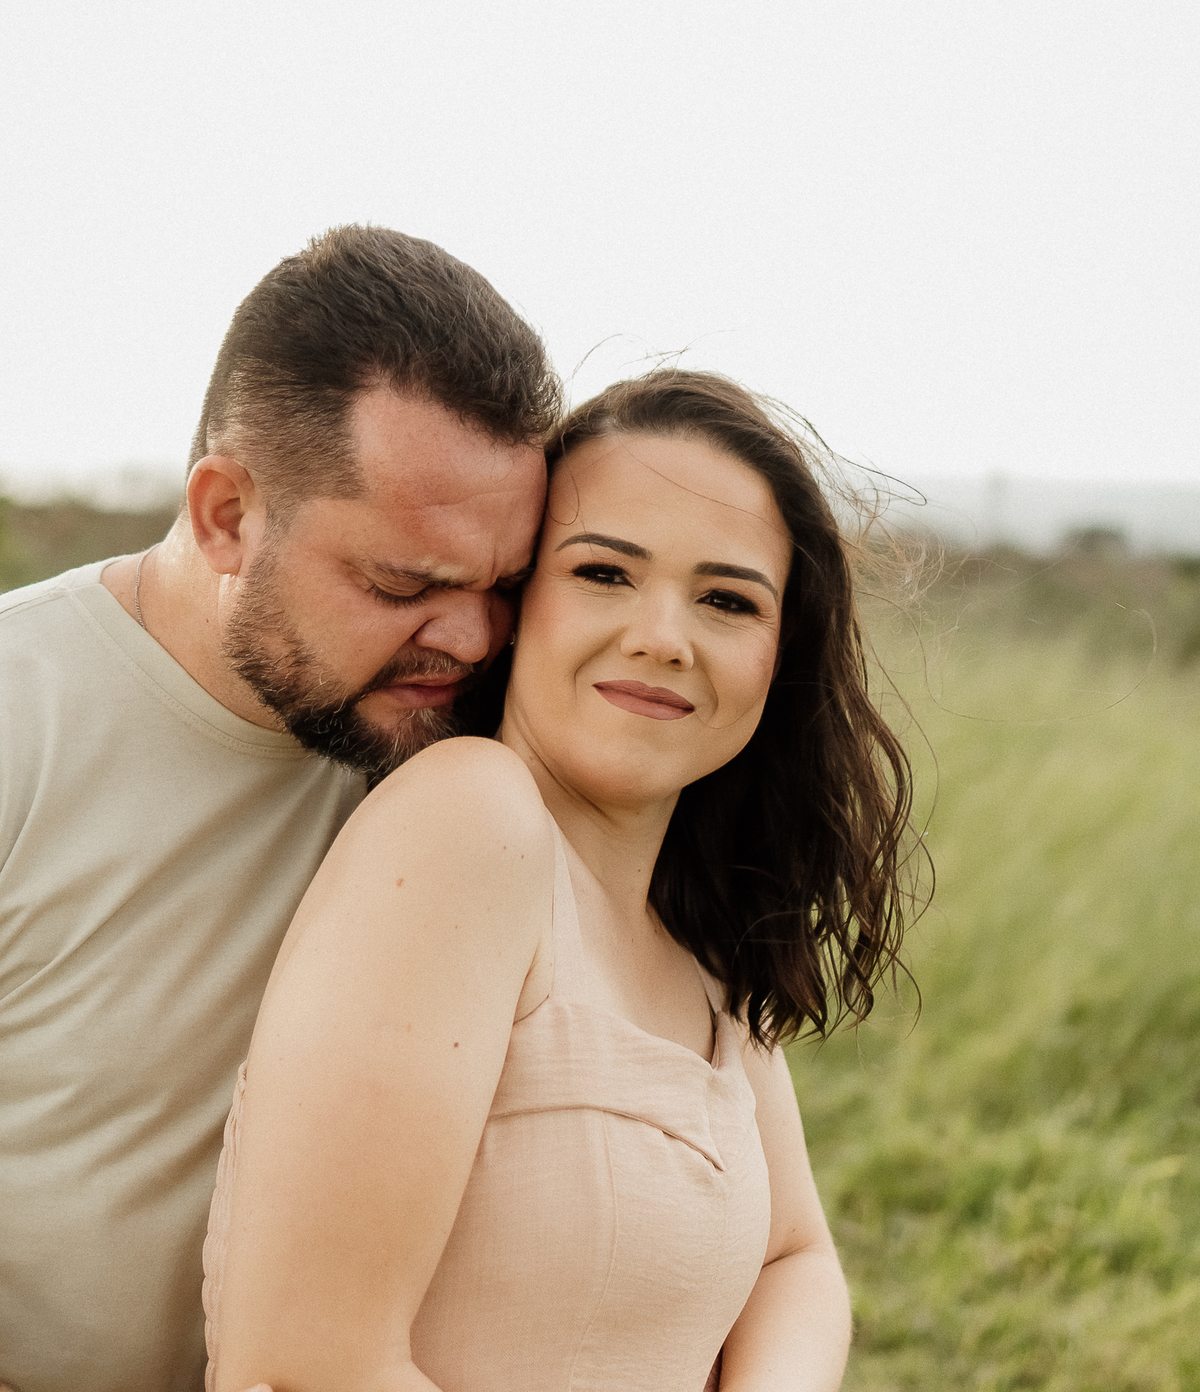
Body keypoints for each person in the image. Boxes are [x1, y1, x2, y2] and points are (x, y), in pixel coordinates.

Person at [203, 369, 917, 1392]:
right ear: (514, 604)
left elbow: (794, 1261)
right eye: (604, 573)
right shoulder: (469, 820)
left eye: (727, 599)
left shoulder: (695, 931)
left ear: (780, 653)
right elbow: (308, 1365)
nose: (662, 637)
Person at [0, 226, 559, 1392]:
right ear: (226, 517)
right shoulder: (20, 714)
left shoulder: (478, 738)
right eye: (403, 584)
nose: (470, 638)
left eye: (505, 585)